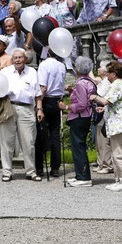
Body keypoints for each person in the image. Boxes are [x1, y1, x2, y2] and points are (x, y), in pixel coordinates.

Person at [90, 60, 122, 192]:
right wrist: (104, 110)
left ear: (114, 74)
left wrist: (95, 97)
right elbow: (118, 103)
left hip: (119, 124)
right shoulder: (121, 84)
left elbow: (105, 100)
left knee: (118, 153)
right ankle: (119, 179)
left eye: (108, 72)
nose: (106, 75)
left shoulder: (117, 85)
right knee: (116, 153)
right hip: (118, 122)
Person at [0, 48, 44, 182]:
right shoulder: (5, 72)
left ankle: (31, 171)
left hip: (27, 108)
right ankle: (7, 172)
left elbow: (38, 94)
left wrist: (40, 109)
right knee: (6, 141)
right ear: (12, 59)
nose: (17, 60)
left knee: (29, 141)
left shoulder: (32, 72)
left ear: (25, 59)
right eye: (15, 58)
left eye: (20, 57)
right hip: (9, 107)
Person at [59, 56, 97, 187]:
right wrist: (71, 91)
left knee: (78, 146)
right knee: (79, 146)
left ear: (77, 69)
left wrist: (67, 107)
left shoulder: (81, 83)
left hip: (80, 117)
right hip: (85, 117)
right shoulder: (90, 81)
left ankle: (83, 177)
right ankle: (80, 174)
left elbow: (82, 104)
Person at [36, 49, 66, 178]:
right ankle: (55, 167)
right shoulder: (62, 65)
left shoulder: (44, 64)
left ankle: (39, 167)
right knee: (55, 135)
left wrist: (38, 106)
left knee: (41, 135)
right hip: (57, 100)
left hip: (46, 99)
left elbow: (43, 87)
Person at [91, 60, 113, 174]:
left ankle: (107, 164)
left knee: (104, 141)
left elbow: (100, 95)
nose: (98, 69)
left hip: (104, 115)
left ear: (105, 71)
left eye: (99, 67)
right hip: (98, 114)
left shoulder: (106, 82)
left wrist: (94, 96)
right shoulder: (103, 81)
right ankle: (100, 163)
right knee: (99, 141)